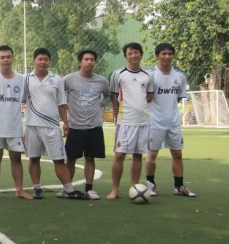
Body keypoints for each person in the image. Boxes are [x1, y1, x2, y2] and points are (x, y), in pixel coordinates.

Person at [25, 48, 88, 200]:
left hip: (52, 126)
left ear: (49, 61)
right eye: (40, 59)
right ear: (34, 60)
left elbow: (62, 103)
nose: (43, 62)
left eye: (46, 59)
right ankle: (37, 188)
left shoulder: (57, 79)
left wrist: (65, 122)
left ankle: (69, 190)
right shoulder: (26, 79)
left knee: (59, 159)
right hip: (32, 125)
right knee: (33, 158)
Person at [0, 45, 32, 200]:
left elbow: (24, 99)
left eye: (8, 57)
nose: (5, 60)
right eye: (2, 57)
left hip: (14, 126)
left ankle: (19, 190)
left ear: (12, 58)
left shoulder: (21, 79)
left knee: (16, 159)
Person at [146, 43, 196, 197]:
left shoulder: (179, 76)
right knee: (152, 155)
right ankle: (151, 185)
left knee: (177, 154)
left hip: (173, 122)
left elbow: (179, 98)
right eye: (163, 54)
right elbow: (146, 99)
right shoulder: (150, 75)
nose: (167, 57)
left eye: (170, 54)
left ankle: (179, 187)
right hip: (155, 122)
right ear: (157, 56)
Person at [107, 42, 155, 200]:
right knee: (119, 156)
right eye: (130, 53)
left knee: (137, 155)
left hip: (142, 122)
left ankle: (134, 188)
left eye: (136, 52)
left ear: (141, 54)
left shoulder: (148, 76)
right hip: (125, 121)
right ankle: (115, 190)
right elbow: (114, 95)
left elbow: (149, 96)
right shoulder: (118, 74)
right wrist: (116, 112)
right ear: (125, 56)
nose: (133, 55)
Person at [63, 49, 111, 200]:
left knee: (90, 158)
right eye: (86, 59)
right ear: (80, 62)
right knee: (70, 158)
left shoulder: (101, 81)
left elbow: (108, 95)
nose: (89, 62)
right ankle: (67, 189)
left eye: (92, 59)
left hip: (94, 126)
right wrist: (66, 106)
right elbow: (58, 95)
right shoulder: (69, 79)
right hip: (75, 126)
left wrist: (101, 104)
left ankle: (89, 189)